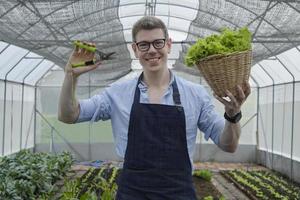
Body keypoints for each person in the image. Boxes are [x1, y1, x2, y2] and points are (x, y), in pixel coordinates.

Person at [58, 16, 251, 200]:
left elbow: (229, 145)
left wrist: (232, 116)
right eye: (144, 45)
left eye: (158, 42)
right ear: (135, 49)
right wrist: (70, 76)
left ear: (168, 44)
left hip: (179, 191)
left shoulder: (195, 94)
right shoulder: (117, 93)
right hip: (133, 192)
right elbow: (69, 115)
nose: (151, 50)